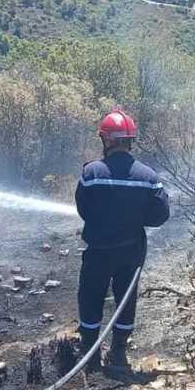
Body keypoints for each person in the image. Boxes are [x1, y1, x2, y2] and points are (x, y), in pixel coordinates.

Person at [75, 110, 170, 372]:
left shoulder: (92, 173)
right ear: (130, 140)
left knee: (90, 299)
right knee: (125, 302)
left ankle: (90, 356)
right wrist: (134, 218)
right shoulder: (148, 177)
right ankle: (117, 354)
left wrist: (103, 221)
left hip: (97, 253)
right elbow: (160, 215)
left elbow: (83, 209)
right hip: (131, 253)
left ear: (106, 140)